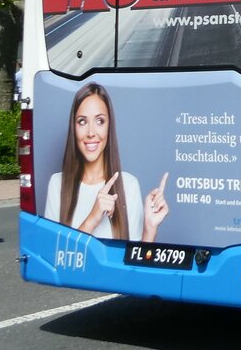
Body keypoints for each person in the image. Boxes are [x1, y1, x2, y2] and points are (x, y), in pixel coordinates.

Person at [43, 82, 169, 241]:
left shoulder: (128, 185)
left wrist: (150, 229)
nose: (90, 132)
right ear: (73, 127)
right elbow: (53, 260)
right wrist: (92, 220)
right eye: (82, 121)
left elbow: (134, 265)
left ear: (109, 126)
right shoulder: (57, 184)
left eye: (100, 121)